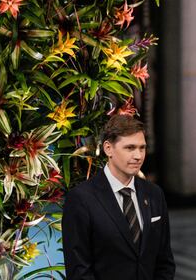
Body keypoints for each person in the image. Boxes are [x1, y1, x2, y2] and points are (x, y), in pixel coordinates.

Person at [62, 115, 175, 279]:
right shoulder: (81, 199)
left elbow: (164, 261)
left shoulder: (154, 194)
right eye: (130, 148)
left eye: (142, 148)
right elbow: (79, 271)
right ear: (108, 148)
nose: (138, 156)